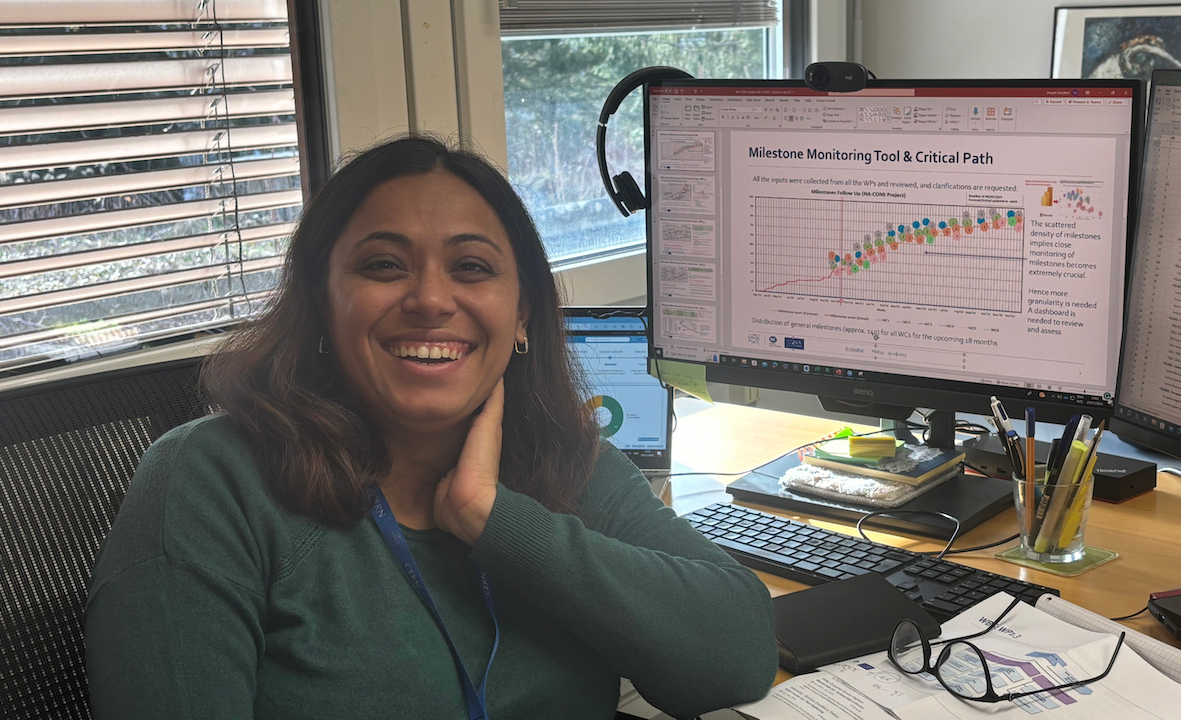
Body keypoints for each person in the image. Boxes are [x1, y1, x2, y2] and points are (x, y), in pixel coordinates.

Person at [83, 135, 778, 719]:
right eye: (383, 265)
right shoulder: (212, 482)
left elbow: (738, 658)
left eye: (472, 267)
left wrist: (497, 521)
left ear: (524, 314)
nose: (430, 300)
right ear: (322, 303)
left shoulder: (561, 460)